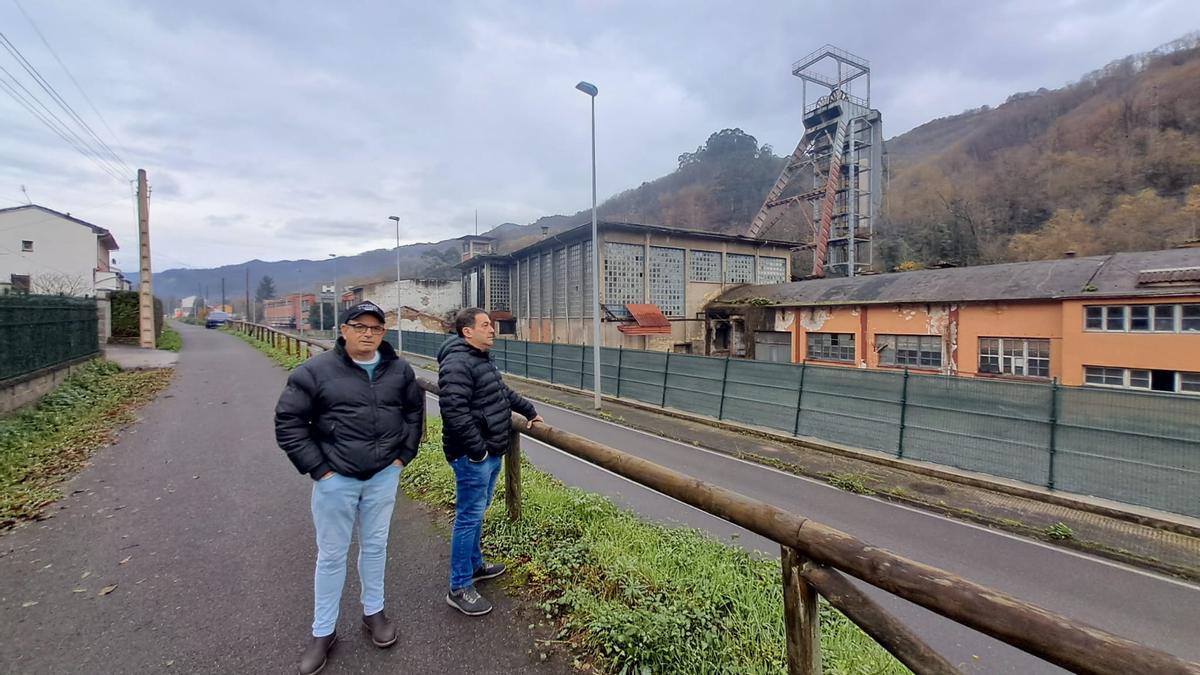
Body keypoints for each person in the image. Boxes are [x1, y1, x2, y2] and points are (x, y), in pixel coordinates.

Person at [275, 301, 424, 675]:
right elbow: (289, 423)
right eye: (360, 326)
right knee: (331, 555)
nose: (368, 333)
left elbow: (413, 413)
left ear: (383, 333)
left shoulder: (400, 371)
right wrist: (320, 470)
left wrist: (402, 456)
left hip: (383, 476)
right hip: (335, 480)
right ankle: (323, 631)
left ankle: (373, 612)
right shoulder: (314, 371)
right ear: (344, 330)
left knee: (375, 547)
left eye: (375, 328)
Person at [437, 307, 543, 616]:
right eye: (485, 325)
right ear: (467, 331)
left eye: (492, 325)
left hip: (490, 451)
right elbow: (453, 411)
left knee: (477, 511)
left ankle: (475, 566)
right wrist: (478, 451)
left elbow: (500, 393)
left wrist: (529, 410)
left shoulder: (480, 359)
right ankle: (458, 587)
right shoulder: (458, 363)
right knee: (468, 517)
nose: (492, 329)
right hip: (474, 456)